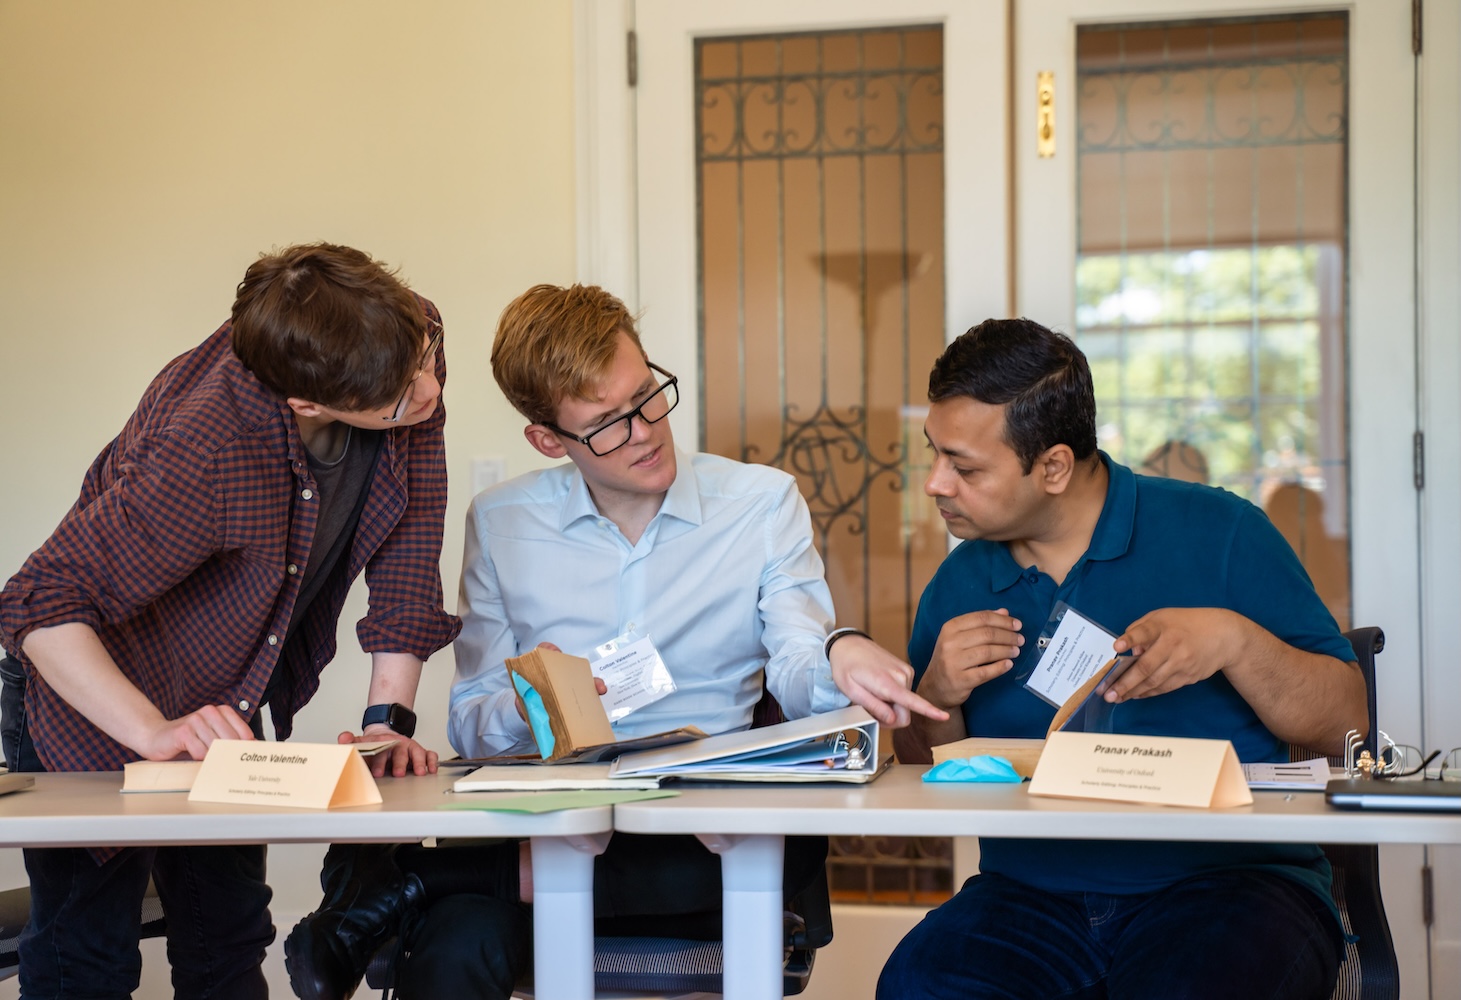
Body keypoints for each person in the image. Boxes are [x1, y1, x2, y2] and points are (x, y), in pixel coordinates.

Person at [285, 282, 944, 1000]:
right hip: (547, 814)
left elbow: (795, 662)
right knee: (452, 950)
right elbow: (471, 717)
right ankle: (416, 891)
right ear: (547, 440)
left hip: (695, 830)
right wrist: (540, 704)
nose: (644, 432)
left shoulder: (759, 502)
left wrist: (838, 654)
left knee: (764, 854)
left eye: (647, 397)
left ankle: (397, 882)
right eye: (606, 424)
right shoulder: (503, 521)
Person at [0, 243, 461, 1000]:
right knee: (89, 952)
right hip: (96, 698)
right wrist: (152, 731)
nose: (428, 391)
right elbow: (38, 599)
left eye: (426, 362)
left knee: (227, 934)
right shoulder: (208, 450)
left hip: (225, 702)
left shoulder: (402, 342)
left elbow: (411, 538)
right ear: (306, 402)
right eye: (397, 400)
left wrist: (387, 718)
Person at [880, 318, 1366, 1000]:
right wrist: (935, 697)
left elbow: (1343, 723)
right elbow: (918, 776)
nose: (933, 484)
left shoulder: (1220, 532)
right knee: (916, 986)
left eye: (962, 467)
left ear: (1051, 465)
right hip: (1027, 895)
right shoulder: (958, 583)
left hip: (1232, 885)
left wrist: (1233, 640)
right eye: (933, 455)